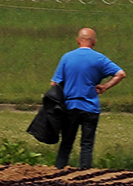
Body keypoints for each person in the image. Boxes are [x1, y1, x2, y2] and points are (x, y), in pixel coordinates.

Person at [50, 27, 126, 169]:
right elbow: (120, 73)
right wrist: (105, 86)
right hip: (90, 107)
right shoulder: (99, 58)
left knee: (66, 142)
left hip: (70, 106)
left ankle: (59, 170)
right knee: (87, 143)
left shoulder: (67, 57)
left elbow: (54, 83)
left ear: (78, 41)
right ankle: (84, 172)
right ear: (94, 42)